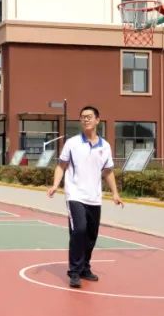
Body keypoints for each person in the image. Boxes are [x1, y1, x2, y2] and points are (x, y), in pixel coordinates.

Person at [47, 105, 123, 288]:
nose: (85, 119)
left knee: (91, 235)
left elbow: (108, 171)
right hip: (75, 195)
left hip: (94, 197)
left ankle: (84, 268)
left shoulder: (105, 146)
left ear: (97, 120)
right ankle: (74, 271)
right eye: (82, 117)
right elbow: (61, 166)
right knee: (79, 230)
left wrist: (115, 193)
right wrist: (56, 185)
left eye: (89, 116)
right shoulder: (72, 143)